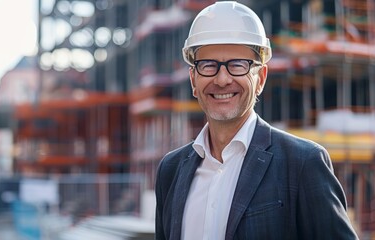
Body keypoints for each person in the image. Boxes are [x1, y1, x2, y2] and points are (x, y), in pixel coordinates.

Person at [154, 1, 359, 239]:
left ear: (260, 77)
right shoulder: (171, 171)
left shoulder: (302, 164)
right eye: (208, 66)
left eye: (237, 65)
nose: (222, 79)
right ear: (193, 80)